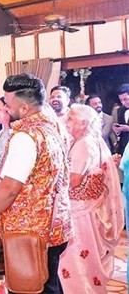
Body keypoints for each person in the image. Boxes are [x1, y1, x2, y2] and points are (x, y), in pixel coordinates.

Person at [0, 73, 73, 294]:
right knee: (49, 283)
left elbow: (10, 189)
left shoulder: (26, 136)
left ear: (24, 108)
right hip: (56, 225)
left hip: (29, 233)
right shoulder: (54, 126)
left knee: (29, 288)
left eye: (8, 104)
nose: (5, 107)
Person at [58, 104, 124, 293]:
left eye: (71, 118)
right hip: (85, 210)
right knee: (83, 260)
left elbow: (74, 180)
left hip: (80, 213)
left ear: (84, 122)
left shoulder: (84, 144)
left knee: (75, 260)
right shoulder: (85, 141)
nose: (67, 121)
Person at [112, 84, 129, 155]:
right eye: (121, 100)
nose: (123, 102)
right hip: (125, 148)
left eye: (125, 99)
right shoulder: (120, 110)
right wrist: (117, 130)